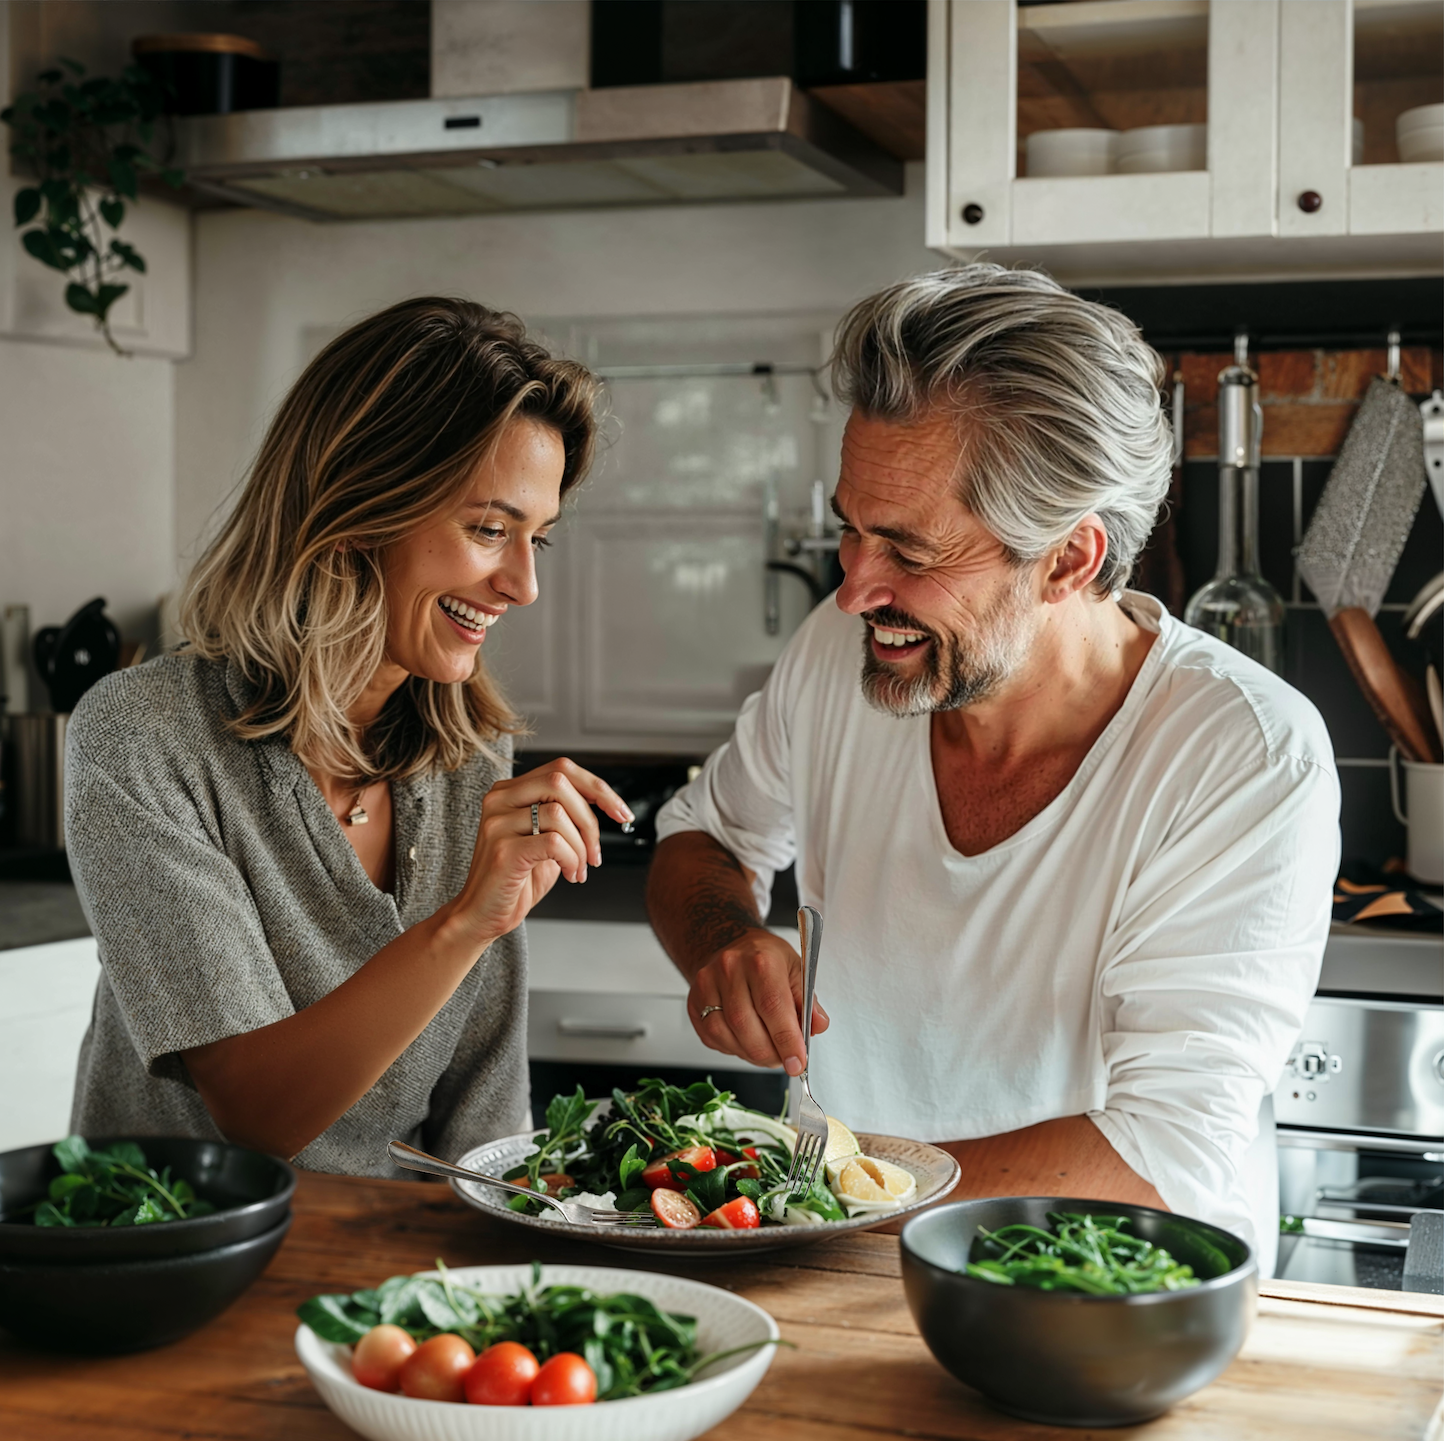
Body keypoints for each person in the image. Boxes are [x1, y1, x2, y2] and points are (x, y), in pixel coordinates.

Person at [648, 264, 1338, 1270]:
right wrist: (723, 939)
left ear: (1068, 558)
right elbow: (703, 836)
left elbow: (1167, 1146)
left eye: (910, 553)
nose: (852, 591)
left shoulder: (1241, 752)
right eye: (849, 527)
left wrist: (844, 1206)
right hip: (852, 1276)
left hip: (1116, 1301)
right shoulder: (842, 662)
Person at [66, 297, 635, 1173]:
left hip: (387, 1286)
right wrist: (459, 927)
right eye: (489, 530)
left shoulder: (471, 757)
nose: (521, 585)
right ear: (360, 507)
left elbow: (483, 1128)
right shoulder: (143, 738)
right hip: (169, 1275)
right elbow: (254, 1114)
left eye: (539, 541)